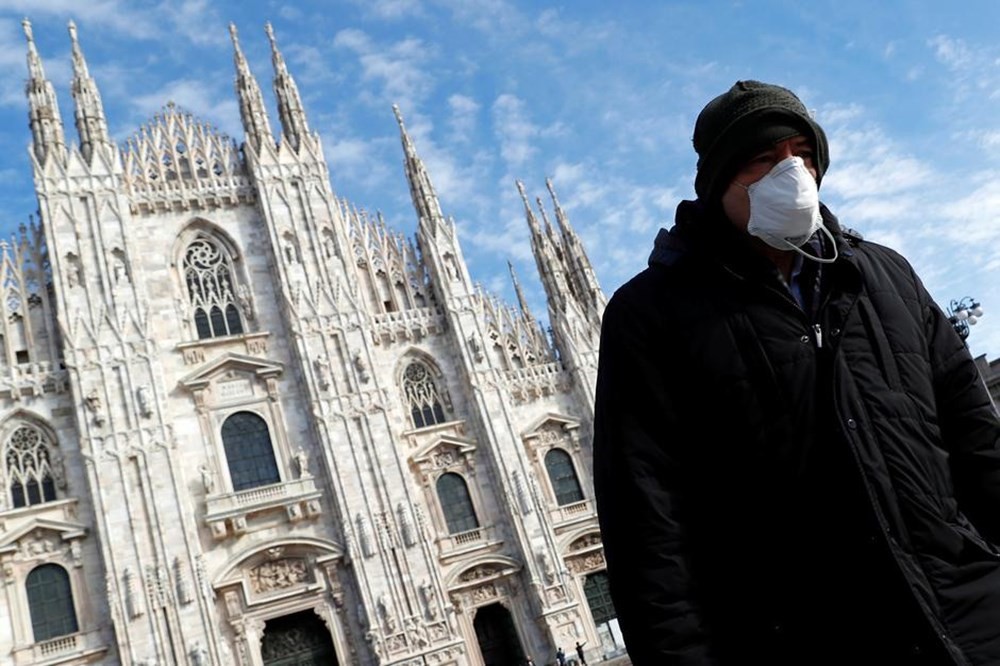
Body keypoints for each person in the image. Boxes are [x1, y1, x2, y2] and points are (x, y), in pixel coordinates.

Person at [593, 80, 1000, 665]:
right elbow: (648, 531)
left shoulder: (884, 275)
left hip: (969, 621)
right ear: (718, 183)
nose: (792, 173)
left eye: (802, 154)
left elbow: (977, 441)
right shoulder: (650, 318)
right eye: (764, 159)